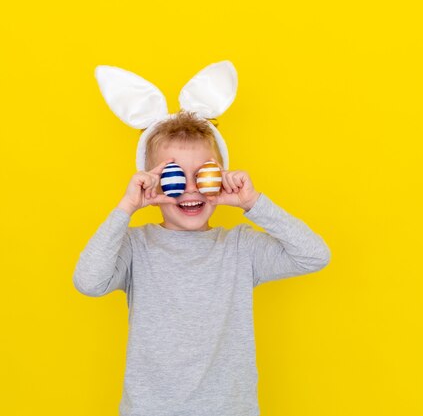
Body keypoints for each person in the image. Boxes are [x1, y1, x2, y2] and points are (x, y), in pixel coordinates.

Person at [73, 62, 331, 416]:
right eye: (175, 176)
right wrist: (126, 208)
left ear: (221, 177)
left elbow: (314, 255)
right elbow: (89, 282)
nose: (191, 189)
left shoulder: (241, 248)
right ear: (151, 181)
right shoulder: (136, 247)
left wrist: (253, 203)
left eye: (205, 174)